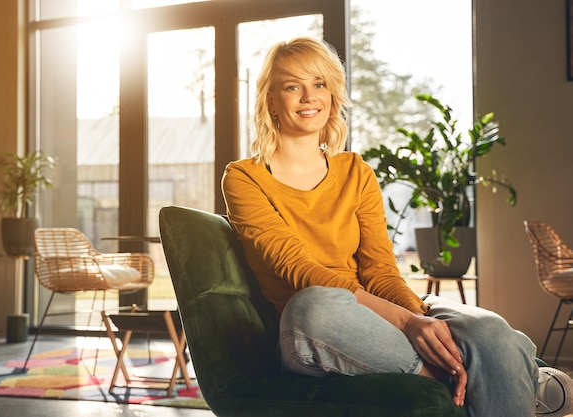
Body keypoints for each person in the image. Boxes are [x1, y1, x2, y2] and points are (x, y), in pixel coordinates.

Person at [221, 36, 573, 417]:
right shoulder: (244, 178)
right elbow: (302, 272)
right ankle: (511, 376)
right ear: (272, 99)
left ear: (332, 94)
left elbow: (380, 271)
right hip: (318, 330)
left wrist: (419, 319)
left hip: (381, 316)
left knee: (487, 326)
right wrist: (405, 321)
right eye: (293, 86)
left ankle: (498, 366)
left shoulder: (356, 172)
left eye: (319, 84)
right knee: (314, 306)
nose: (309, 97)